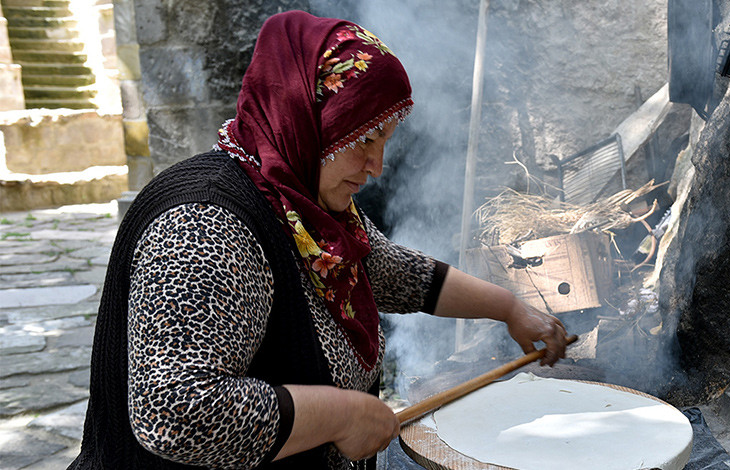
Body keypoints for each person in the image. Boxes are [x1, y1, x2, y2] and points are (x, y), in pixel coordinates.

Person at [69, 10, 567, 470]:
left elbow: (394, 272)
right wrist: (340, 416)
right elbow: (176, 412)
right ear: (308, 119)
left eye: (385, 140)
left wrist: (509, 309)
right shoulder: (205, 225)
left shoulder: (300, 202)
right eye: (364, 139)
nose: (376, 166)